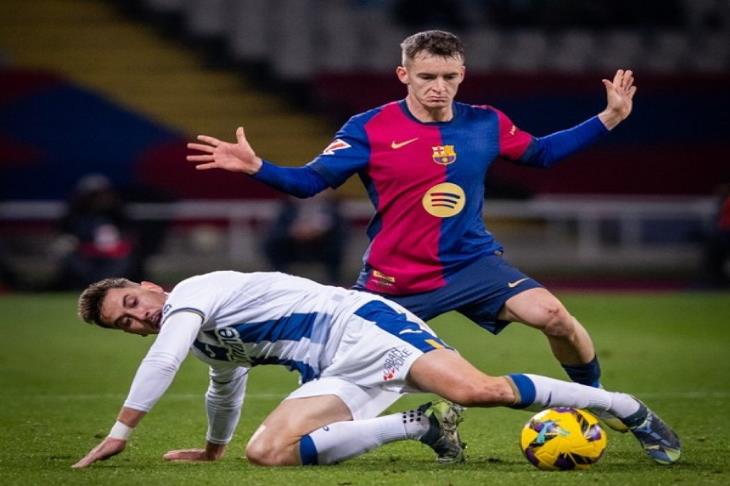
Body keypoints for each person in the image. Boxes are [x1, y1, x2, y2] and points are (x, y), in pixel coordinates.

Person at [187, 31, 636, 423]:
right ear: (403, 75)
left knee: (555, 316)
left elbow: (541, 154)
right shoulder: (369, 128)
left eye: (449, 77)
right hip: (394, 278)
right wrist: (257, 166)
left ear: (463, 74)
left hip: (472, 262)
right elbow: (309, 182)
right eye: (427, 78)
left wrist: (610, 118)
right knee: (340, 379)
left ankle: (598, 400)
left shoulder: (486, 122)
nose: (439, 88)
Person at [72, 270, 680, 469]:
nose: (137, 318)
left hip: (363, 326)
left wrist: (122, 430)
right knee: (267, 452)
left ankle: (625, 406)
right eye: (122, 323)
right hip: (333, 366)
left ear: (148, 287)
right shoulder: (204, 338)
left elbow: (166, 355)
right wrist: (212, 449)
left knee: (480, 391)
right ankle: (419, 425)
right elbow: (223, 386)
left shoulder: (193, 294)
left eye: (131, 304)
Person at [264, 191, 347, 285]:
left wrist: (319, 231)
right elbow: (278, 229)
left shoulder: (332, 209)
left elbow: (341, 230)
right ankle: (278, 279)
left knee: (336, 244)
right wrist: (294, 232)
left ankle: (334, 281)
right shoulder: (287, 209)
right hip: (292, 245)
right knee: (274, 242)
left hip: (322, 245)